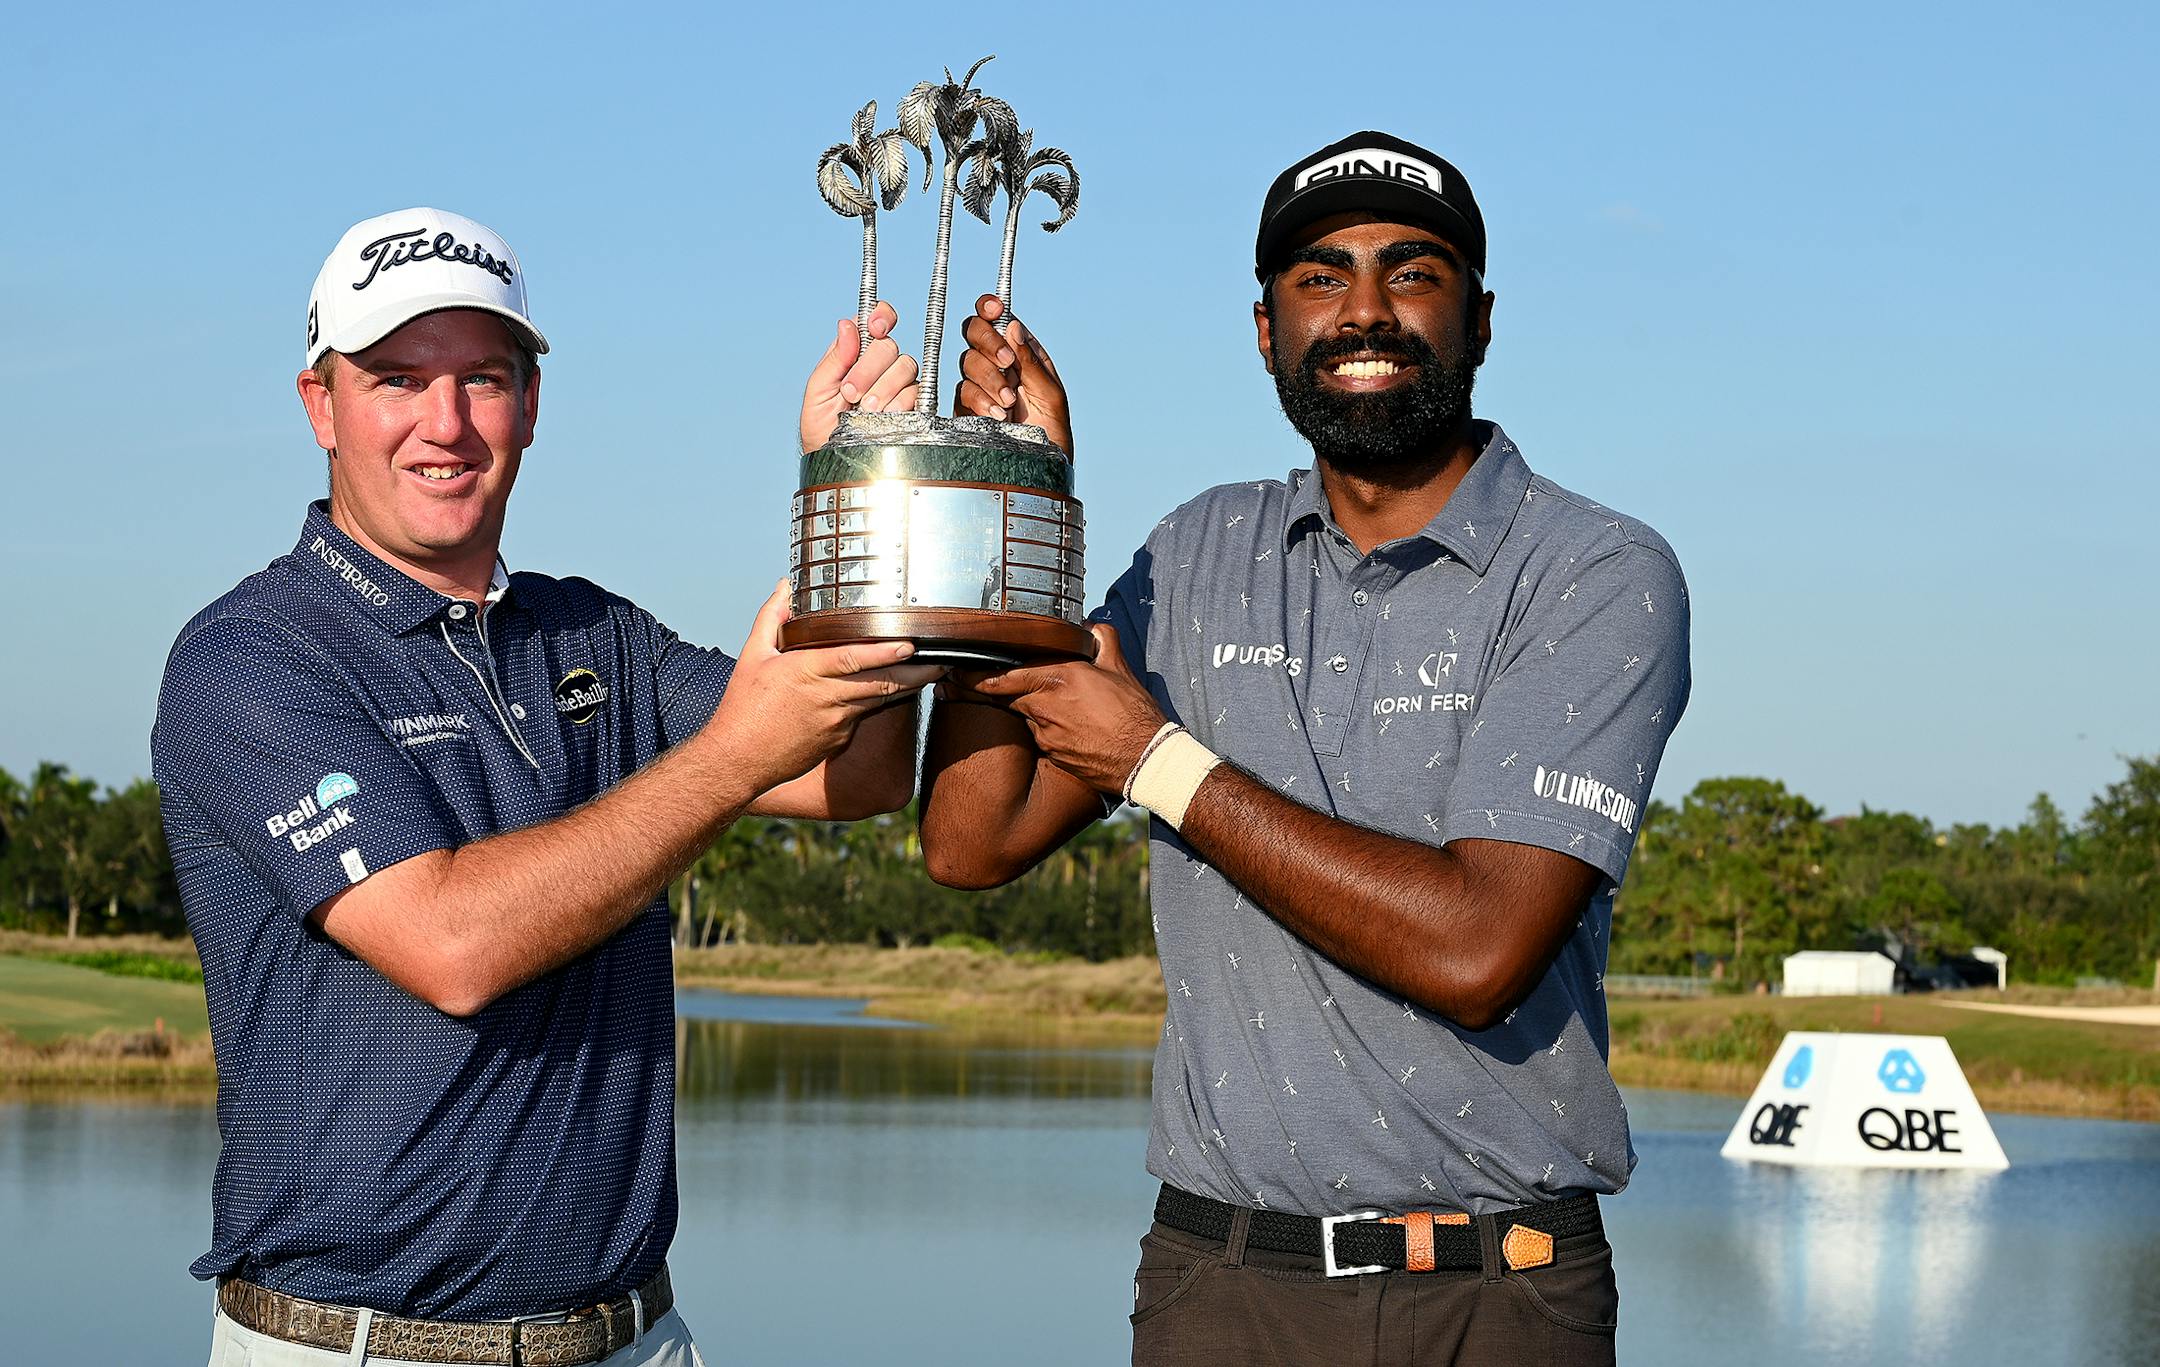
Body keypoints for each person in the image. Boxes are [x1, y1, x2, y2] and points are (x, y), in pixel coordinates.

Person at [920, 133, 1692, 1365]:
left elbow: (1479, 947)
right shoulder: (1196, 552)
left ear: (1482, 321)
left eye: (1414, 271)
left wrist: (1160, 763)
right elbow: (971, 836)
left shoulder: (1596, 572)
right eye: (1320, 278)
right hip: (1217, 1286)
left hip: (1492, 1299)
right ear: (1268, 329)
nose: (1367, 311)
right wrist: (1017, 501)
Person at [151, 207, 936, 1366]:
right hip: (355, 1345)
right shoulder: (252, 655)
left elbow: (857, 769)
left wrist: (855, 489)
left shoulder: (593, 631)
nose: (447, 422)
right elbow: (452, 943)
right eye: (396, 379)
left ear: (531, 401)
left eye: (485, 377)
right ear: (320, 405)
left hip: (632, 1334)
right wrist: (726, 759)